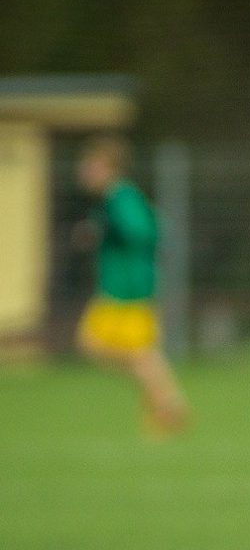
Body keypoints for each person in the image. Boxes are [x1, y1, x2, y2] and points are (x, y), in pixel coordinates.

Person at [75, 134, 189, 434]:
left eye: (91, 166)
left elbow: (146, 231)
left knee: (133, 352)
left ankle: (167, 404)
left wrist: (109, 231)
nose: (85, 172)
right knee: (103, 348)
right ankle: (165, 400)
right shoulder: (112, 200)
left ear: (108, 168)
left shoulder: (120, 197)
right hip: (117, 287)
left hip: (128, 289)